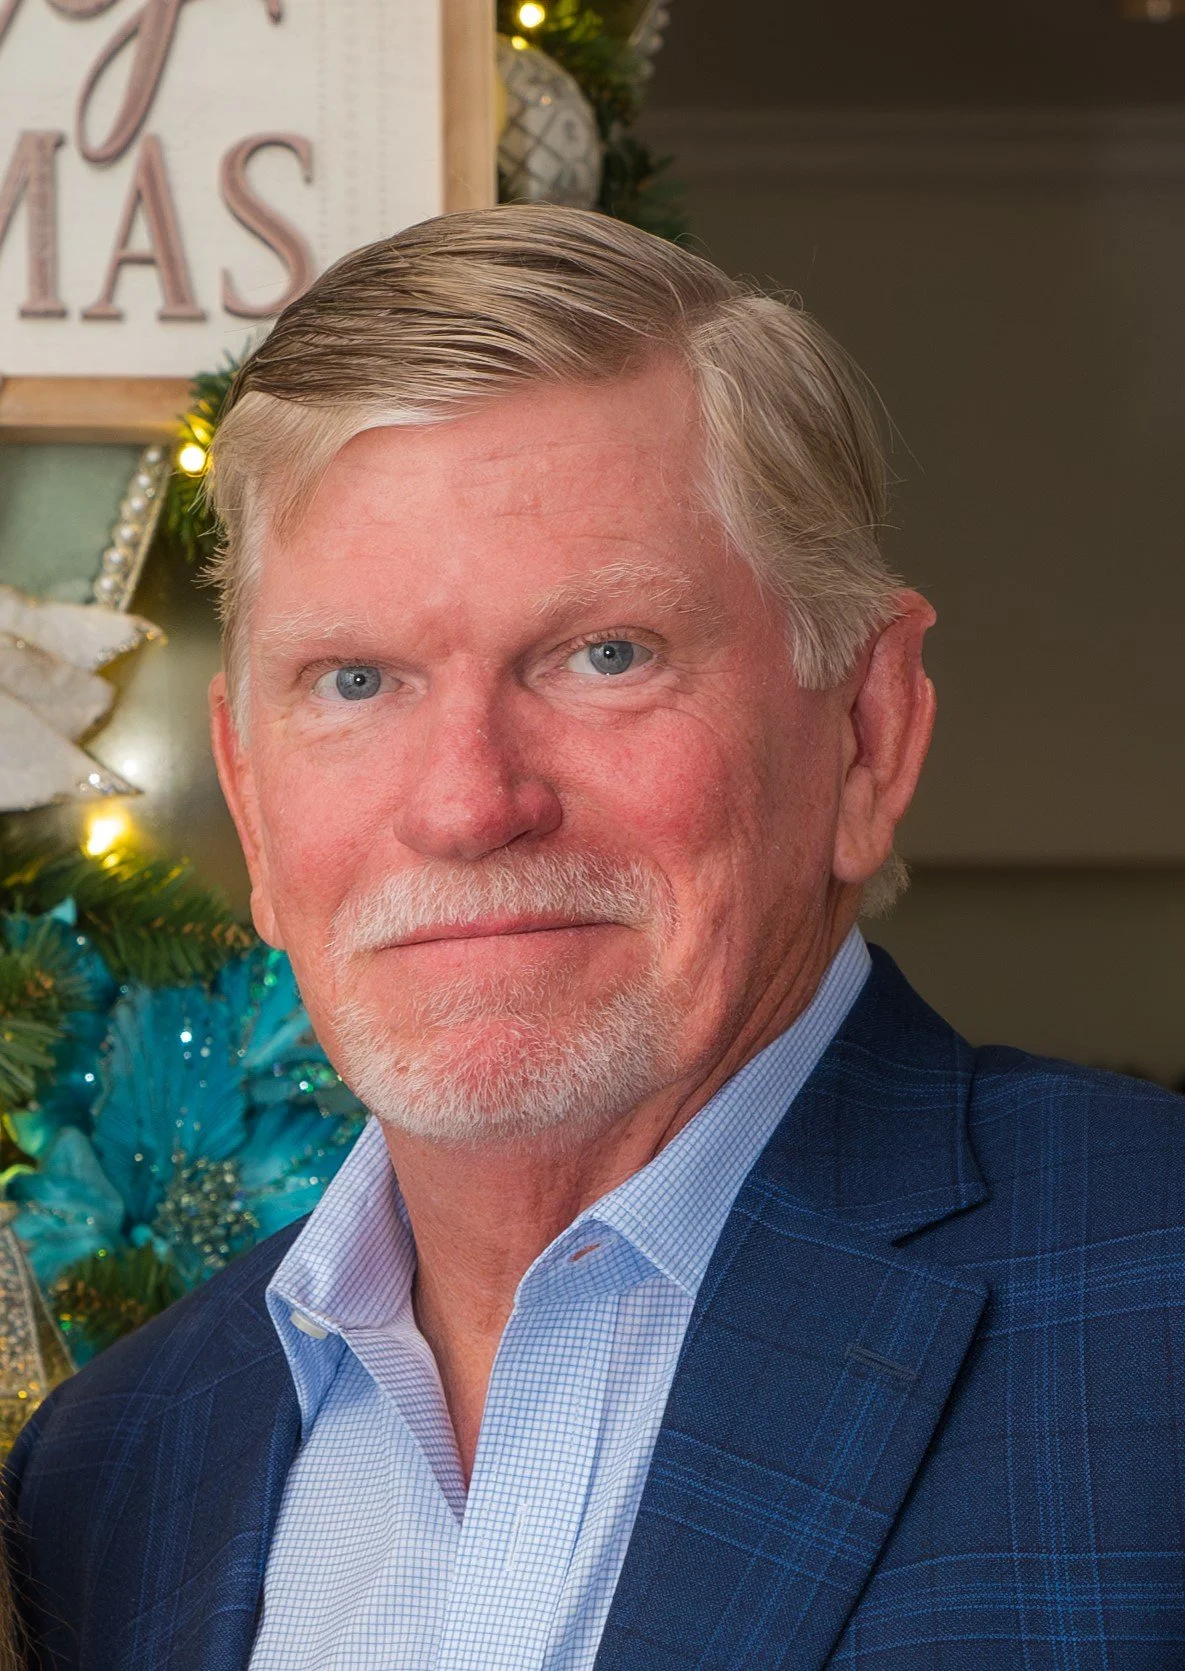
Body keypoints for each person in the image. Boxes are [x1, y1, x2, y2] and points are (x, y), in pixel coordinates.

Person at [4, 205, 1184, 1671]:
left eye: (605, 655)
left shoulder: (1158, 1301)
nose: (468, 802)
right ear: (247, 794)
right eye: (356, 679)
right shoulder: (107, 1472)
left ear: (868, 735)